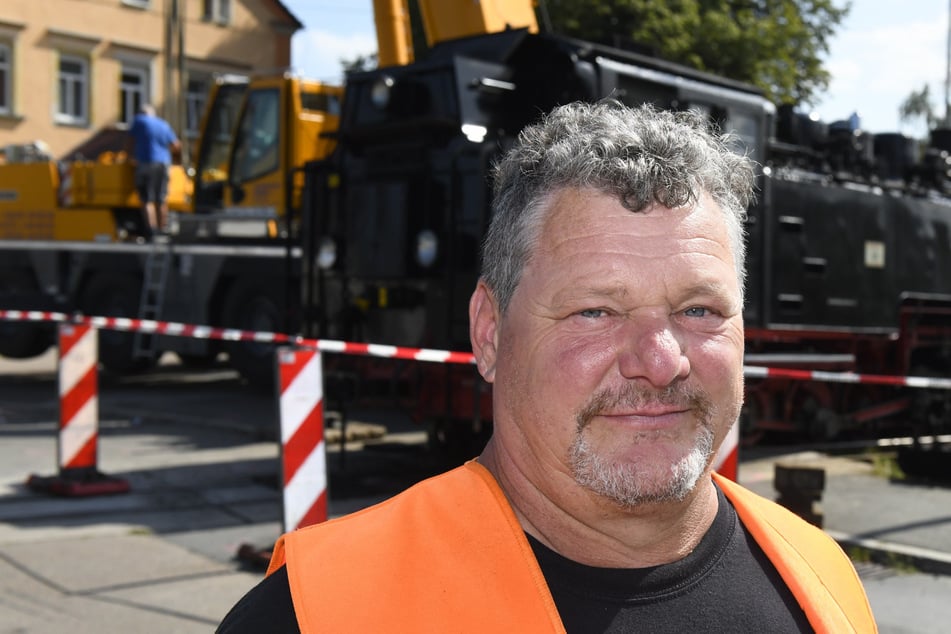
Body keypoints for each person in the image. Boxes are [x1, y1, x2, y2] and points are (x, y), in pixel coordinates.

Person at [217, 100, 876, 632]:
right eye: (595, 310)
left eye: (699, 310)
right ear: (490, 331)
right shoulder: (317, 614)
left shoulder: (822, 578)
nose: (660, 361)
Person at [128, 104, 180, 235]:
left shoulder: (139, 120)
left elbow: (129, 141)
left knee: (147, 199)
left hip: (146, 162)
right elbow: (176, 145)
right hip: (164, 164)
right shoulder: (163, 124)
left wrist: (129, 156)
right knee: (161, 198)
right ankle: (163, 229)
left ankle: (151, 230)